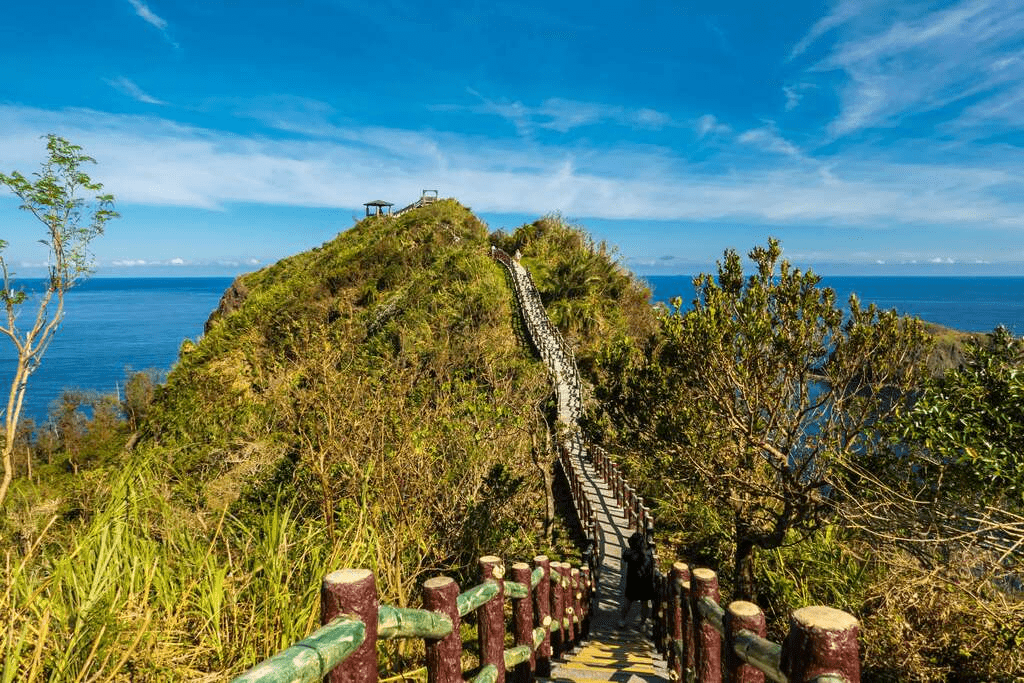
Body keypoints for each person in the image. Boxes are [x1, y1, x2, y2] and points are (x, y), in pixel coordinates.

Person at [618, 531, 654, 629]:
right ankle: (643, 623)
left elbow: (624, 556)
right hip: (645, 582)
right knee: (644, 603)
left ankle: (622, 619)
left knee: (627, 602)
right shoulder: (649, 553)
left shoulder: (630, 554)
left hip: (632, 581)